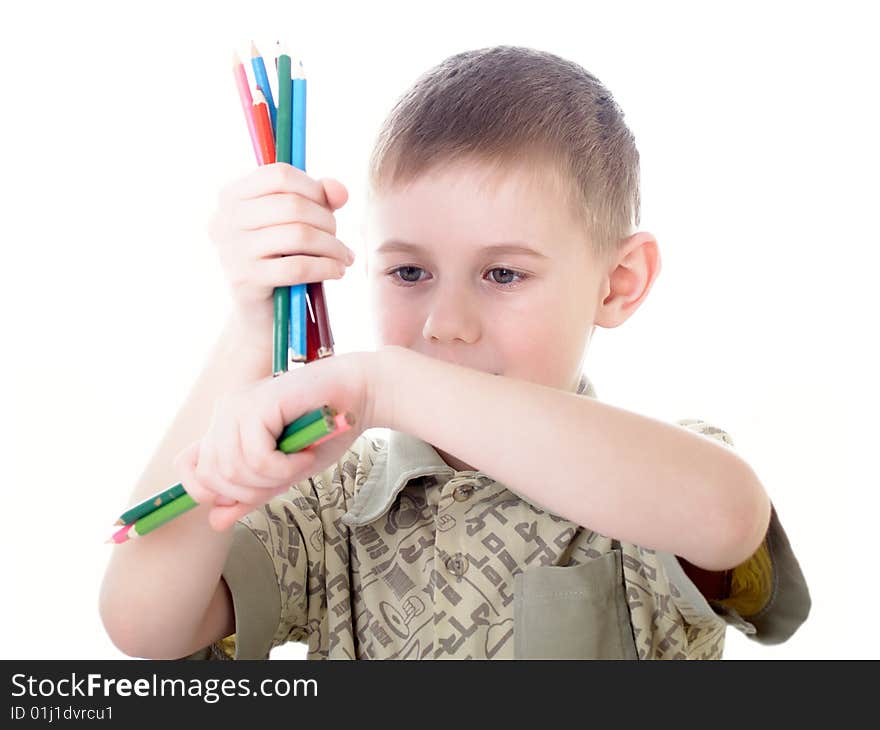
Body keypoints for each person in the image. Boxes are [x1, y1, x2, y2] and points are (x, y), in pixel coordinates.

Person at [99, 45, 810, 660]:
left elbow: (726, 516)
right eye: (409, 273)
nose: (446, 324)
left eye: (503, 274)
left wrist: (387, 387)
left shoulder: (653, 477)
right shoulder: (333, 506)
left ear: (618, 284)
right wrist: (254, 326)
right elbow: (142, 621)